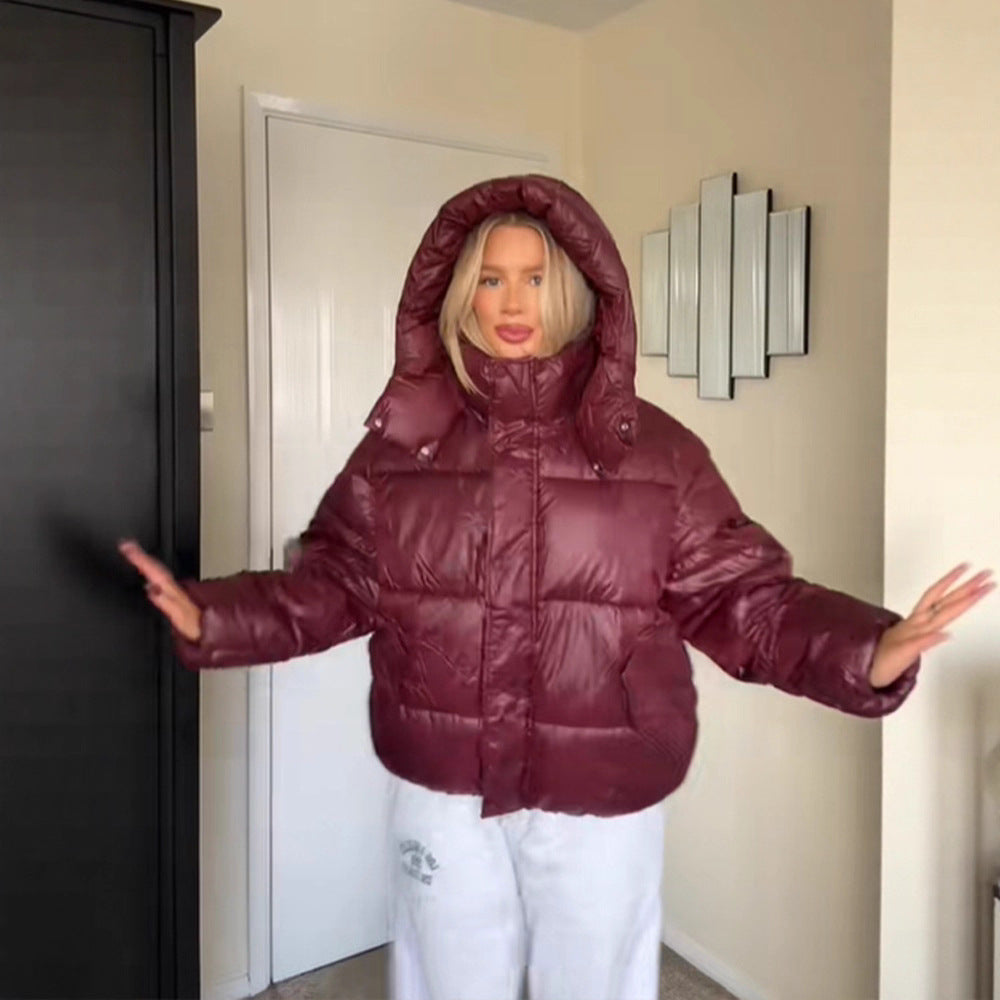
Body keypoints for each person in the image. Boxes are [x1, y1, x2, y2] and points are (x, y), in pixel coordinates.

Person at [120, 174, 993, 1000]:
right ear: (457, 292)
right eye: (490, 279)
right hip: (442, 782)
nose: (511, 302)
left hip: (602, 785)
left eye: (535, 278)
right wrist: (218, 615)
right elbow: (337, 581)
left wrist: (867, 650)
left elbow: (743, 602)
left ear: (575, 290)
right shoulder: (401, 447)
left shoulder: (659, 453)